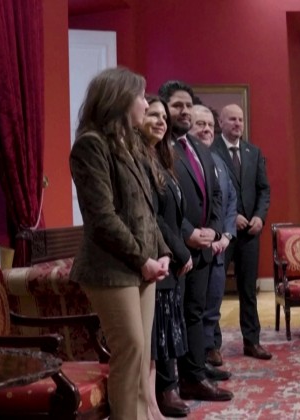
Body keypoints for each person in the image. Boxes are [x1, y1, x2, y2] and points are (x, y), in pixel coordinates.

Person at [69, 67, 170, 419]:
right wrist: (143, 259)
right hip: (110, 268)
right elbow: (102, 217)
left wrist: (162, 252)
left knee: (141, 354)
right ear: (119, 99)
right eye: (140, 96)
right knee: (130, 348)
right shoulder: (91, 145)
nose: (145, 103)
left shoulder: (130, 144)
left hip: (142, 265)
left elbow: (145, 209)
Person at [158, 80, 232, 401]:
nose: (184, 111)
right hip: (176, 246)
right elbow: (161, 200)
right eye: (178, 105)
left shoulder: (200, 148)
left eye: (188, 105)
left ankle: (195, 372)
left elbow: (215, 195)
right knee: (173, 316)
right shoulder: (160, 148)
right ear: (164, 108)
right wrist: (188, 232)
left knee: (196, 312)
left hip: (203, 245)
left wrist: (213, 230)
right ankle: (178, 380)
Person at [140, 96, 193, 418]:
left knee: (164, 334)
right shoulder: (139, 161)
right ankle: (159, 396)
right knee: (155, 336)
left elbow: (174, 213)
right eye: (153, 115)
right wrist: (179, 251)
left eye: (163, 117)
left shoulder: (161, 160)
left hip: (168, 259)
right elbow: (155, 217)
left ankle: (160, 395)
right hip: (156, 257)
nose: (161, 121)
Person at [210, 103, 272, 360]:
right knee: (215, 290)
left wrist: (259, 217)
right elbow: (211, 192)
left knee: (248, 290)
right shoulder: (210, 150)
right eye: (232, 119)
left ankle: (252, 341)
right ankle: (212, 345)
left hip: (249, 234)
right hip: (222, 233)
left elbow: (263, 189)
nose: (237, 124)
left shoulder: (253, 152)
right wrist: (231, 217)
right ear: (221, 123)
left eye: (240, 120)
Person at [191, 104, 238, 367]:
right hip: (193, 249)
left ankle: (210, 350)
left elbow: (230, 201)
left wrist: (226, 235)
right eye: (200, 124)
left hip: (218, 249)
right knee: (194, 310)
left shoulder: (218, 161)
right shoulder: (178, 159)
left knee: (213, 306)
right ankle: (196, 362)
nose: (207, 129)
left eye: (210, 125)